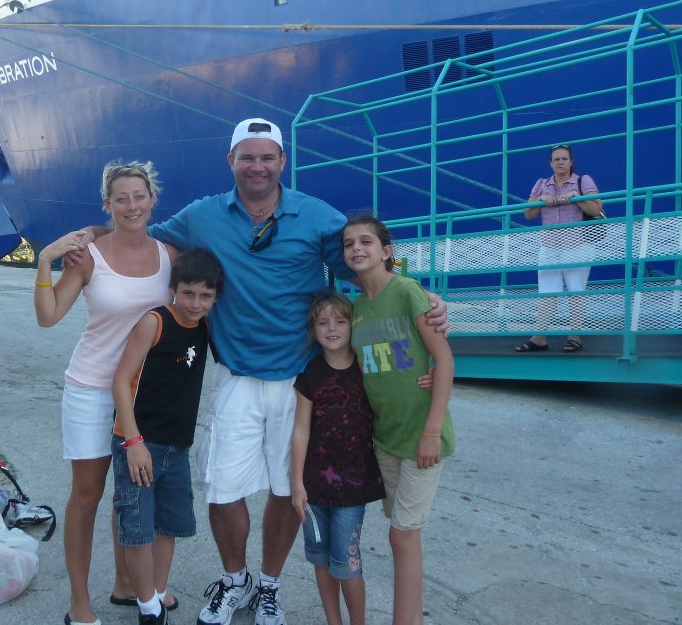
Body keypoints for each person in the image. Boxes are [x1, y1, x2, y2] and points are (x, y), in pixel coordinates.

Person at [67, 118, 447, 625]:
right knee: (223, 492)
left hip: (299, 381)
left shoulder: (315, 216)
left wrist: (423, 296)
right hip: (237, 376)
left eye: (268, 157)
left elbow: (368, 257)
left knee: (288, 491)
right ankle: (234, 581)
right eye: (247, 157)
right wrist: (85, 237)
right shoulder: (203, 215)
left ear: (282, 162)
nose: (258, 166)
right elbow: (139, 234)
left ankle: (269, 585)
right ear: (231, 162)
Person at [34, 161, 179, 625]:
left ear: (152, 199)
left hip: (143, 396)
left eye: (139, 196)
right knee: (88, 493)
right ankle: (79, 603)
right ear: (108, 204)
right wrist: (43, 261)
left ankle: (125, 585)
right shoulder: (89, 256)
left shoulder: (169, 256)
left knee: (132, 493)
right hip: (92, 388)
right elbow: (49, 315)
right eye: (121, 198)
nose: (131, 205)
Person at [342, 214, 456, 625]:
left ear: (386, 252)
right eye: (349, 243)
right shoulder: (356, 309)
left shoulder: (408, 291)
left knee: (401, 535)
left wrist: (431, 432)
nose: (357, 248)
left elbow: (444, 360)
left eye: (366, 242)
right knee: (403, 532)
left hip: (421, 436)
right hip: (385, 438)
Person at [110, 249, 225, 625]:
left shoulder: (205, 326)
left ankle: (157, 592)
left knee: (167, 525)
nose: (195, 303)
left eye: (206, 296)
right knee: (138, 529)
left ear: (215, 298)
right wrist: (133, 442)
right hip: (141, 442)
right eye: (188, 293)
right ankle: (147, 606)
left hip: (177, 447)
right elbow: (121, 381)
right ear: (173, 288)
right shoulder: (154, 322)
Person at [290, 291, 385, 625]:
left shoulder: (368, 369)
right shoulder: (309, 375)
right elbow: (300, 430)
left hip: (353, 488)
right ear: (313, 329)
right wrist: (296, 483)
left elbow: (400, 389)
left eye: (341, 321)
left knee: (347, 564)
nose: (332, 328)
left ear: (353, 326)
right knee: (320, 559)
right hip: (314, 489)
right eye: (323, 322)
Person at [514, 144, 603, 354]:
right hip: (549, 245)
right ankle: (540, 337)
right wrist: (541, 201)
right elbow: (528, 214)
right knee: (547, 291)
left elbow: (596, 209)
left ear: (571, 162)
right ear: (550, 163)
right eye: (557, 159)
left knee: (576, 290)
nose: (561, 162)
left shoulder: (583, 181)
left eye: (564, 159)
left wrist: (576, 198)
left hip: (577, 244)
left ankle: (574, 336)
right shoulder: (541, 184)